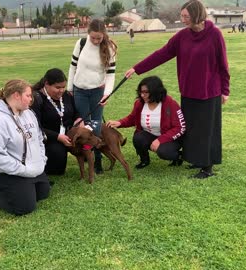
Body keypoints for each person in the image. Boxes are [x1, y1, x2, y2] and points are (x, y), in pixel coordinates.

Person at [125, 0, 230, 179]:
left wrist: (225, 90)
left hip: (209, 92)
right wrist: (137, 68)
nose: (182, 20)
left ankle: (207, 167)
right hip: (189, 91)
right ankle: (196, 159)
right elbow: (162, 53)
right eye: (181, 16)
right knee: (190, 129)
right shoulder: (182, 36)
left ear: (197, 15)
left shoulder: (214, 34)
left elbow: (223, 64)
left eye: (186, 16)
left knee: (206, 130)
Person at [0, 79, 50, 215]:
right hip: (3, 171)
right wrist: (22, 170)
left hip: (28, 167)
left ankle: (22, 188)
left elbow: (39, 138)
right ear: (16, 95)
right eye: (28, 95)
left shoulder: (29, 113)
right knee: (25, 206)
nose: (31, 99)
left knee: (43, 192)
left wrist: (41, 160)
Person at [67, 18, 117, 174]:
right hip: (79, 90)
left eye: (99, 38)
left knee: (95, 126)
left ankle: (97, 161)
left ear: (104, 35)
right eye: (93, 37)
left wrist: (107, 94)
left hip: (97, 92)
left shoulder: (109, 48)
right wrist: (70, 88)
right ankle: (85, 155)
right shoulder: (81, 43)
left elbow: (110, 74)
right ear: (88, 33)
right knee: (83, 126)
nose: (95, 40)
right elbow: (72, 66)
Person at [106, 76, 185, 169]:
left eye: (146, 92)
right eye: (141, 92)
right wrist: (119, 123)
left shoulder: (170, 103)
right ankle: (144, 160)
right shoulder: (139, 103)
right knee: (138, 138)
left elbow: (180, 127)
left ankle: (178, 156)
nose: (142, 95)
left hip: (170, 138)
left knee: (164, 152)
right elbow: (133, 118)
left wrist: (160, 140)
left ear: (156, 91)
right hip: (151, 135)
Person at [31, 68, 83, 176]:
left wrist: (79, 120)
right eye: (57, 87)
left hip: (68, 133)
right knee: (57, 166)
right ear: (46, 84)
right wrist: (58, 137)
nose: (61, 90)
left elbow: (76, 112)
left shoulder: (66, 96)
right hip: (49, 137)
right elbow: (36, 127)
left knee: (88, 139)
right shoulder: (36, 99)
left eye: (63, 87)